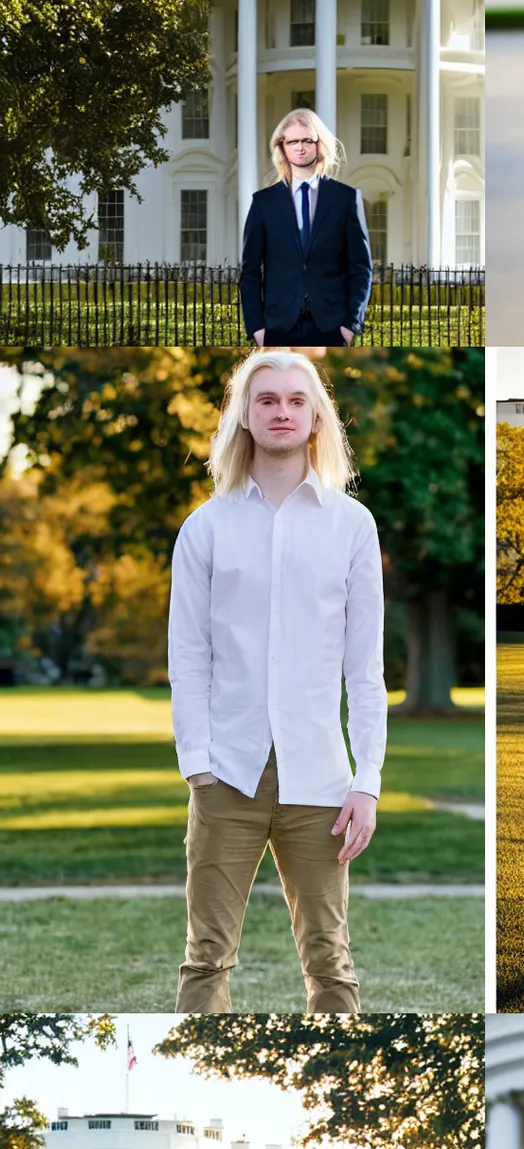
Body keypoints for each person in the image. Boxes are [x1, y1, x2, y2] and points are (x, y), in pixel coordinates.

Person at [167, 348, 387, 1015]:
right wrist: (197, 765)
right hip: (227, 776)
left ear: (316, 417)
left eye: (297, 400)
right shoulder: (205, 528)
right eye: (267, 400)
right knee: (206, 955)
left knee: (331, 959)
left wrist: (367, 781)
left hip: (320, 779)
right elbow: (188, 656)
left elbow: (365, 668)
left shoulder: (351, 525)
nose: (282, 411)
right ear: (245, 417)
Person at [239, 107, 373, 348]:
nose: (300, 147)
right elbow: (249, 270)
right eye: (292, 141)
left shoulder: (346, 198)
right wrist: (256, 328)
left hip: (332, 326)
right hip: (278, 325)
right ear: (282, 146)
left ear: (319, 144)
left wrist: (351, 325)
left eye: (307, 140)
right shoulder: (263, 202)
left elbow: (361, 267)